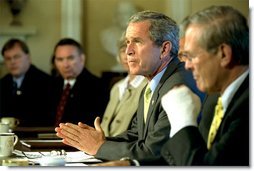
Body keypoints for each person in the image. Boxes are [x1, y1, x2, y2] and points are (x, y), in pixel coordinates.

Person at [55, 11, 203, 163]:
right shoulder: (153, 82)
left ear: (164, 49)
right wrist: (98, 140)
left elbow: (154, 151)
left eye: (137, 41)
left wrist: (99, 147)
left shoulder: (177, 87)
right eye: (127, 42)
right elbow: (136, 134)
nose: (128, 51)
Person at [160, 5, 249, 165]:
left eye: (192, 56)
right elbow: (200, 153)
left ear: (224, 54)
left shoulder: (248, 107)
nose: (187, 65)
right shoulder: (215, 99)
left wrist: (183, 120)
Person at [51, 38, 108, 127]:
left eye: (70, 58)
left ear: (82, 58)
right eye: (60, 59)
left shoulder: (98, 87)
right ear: (55, 61)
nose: (65, 65)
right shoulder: (49, 85)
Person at [101, 32, 147, 137]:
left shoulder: (148, 86)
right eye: (123, 51)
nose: (127, 56)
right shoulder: (116, 87)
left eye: (132, 50)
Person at [0, 38, 53, 127]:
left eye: (16, 57)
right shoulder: (2, 83)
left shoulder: (46, 82)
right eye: (8, 58)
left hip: (34, 136)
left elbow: (45, 117)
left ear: (28, 58)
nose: (12, 62)